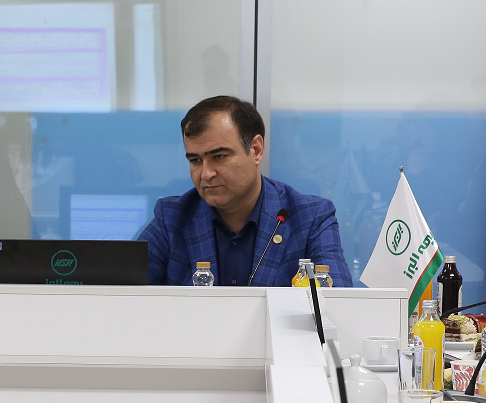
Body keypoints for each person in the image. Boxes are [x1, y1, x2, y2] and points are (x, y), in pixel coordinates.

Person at [138, 96, 352, 287]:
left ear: (256, 150)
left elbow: (337, 303)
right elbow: (125, 292)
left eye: (219, 156)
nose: (206, 174)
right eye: (195, 160)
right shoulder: (172, 218)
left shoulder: (310, 217)